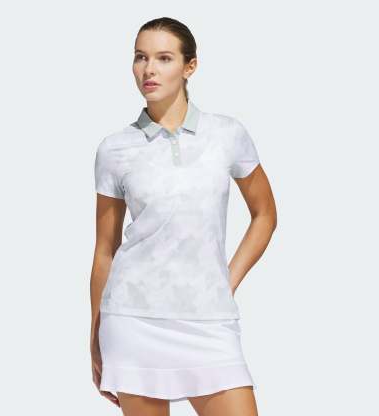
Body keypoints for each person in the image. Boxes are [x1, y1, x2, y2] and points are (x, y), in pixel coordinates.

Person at [90, 17, 277, 416]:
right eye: (140, 57)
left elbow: (264, 214)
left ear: (189, 66)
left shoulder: (227, 134)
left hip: (209, 320)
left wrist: (227, 280)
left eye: (164, 58)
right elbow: (105, 250)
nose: (149, 69)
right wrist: (95, 331)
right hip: (133, 319)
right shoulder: (114, 149)